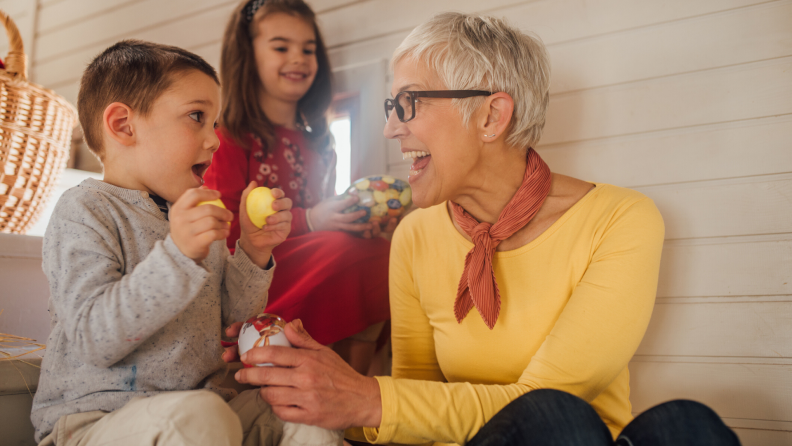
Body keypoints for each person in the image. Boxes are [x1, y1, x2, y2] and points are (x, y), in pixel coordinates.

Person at [226, 12, 742, 446]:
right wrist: (306, 385)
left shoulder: (619, 220)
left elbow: (554, 396)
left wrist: (366, 397)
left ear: (492, 116)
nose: (390, 127)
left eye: (410, 102)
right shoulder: (416, 234)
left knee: (685, 426)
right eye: (390, 105)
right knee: (556, 419)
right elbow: (412, 407)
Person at [30, 40, 343, 446]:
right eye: (197, 117)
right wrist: (177, 254)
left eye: (214, 123)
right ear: (124, 125)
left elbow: (231, 318)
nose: (214, 140)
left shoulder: (194, 213)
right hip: (95, 422)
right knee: (200, 417)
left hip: (203, 411)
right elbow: (94, 338)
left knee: (306, 410)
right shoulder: (85, 209)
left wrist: (253, 249)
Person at [204, 0, 391, 374]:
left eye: (308, 49)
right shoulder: (228, 140)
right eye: (280, 47)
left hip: (312, 266)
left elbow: (323, 223)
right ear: (247, 56)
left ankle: (350, 385)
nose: (299, 58)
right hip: (253, 275)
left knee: (385, 252)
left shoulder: (322, 146)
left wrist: (353, 221)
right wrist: (311, 221)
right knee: (360, 254)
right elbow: (220, 241)